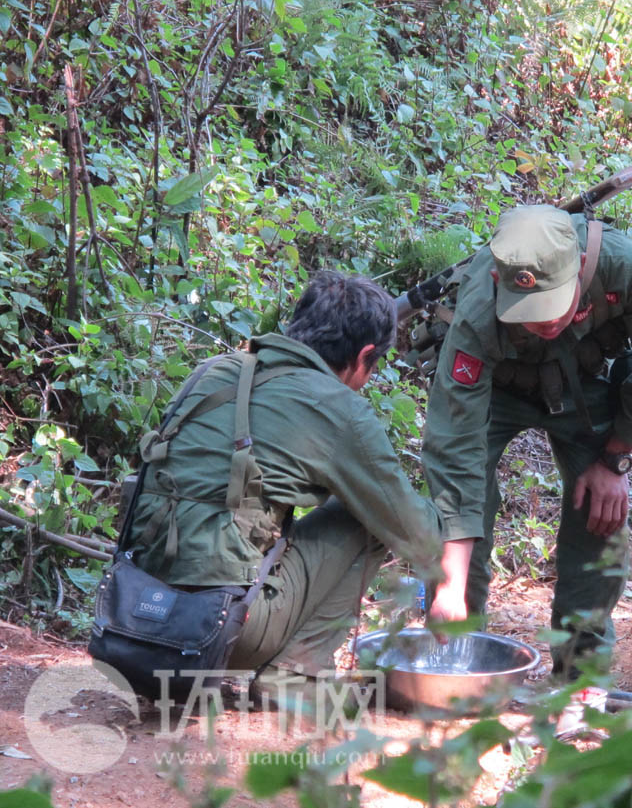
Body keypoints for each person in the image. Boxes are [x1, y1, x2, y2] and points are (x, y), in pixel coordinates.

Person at [123, 271, 455, 692]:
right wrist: (453, 536)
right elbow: (415, 529)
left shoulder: (212, 371)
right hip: (215, 630)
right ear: (364, 356)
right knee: (368, 518)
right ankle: (293, 678)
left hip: (134, 609)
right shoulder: (338, 408)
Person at [421, 204, 632, 678]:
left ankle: (580, 681)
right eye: (528, 312)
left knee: (598, 520)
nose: (542, 323)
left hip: (586, 388)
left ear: (579, 269)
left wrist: (615, 460)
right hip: (499, 391)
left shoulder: (623, 267)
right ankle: (454, 663)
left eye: (551, 305)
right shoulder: (478, 309)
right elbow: (454, 444)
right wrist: (450, 583)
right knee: (460, 516)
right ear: (501, 286)